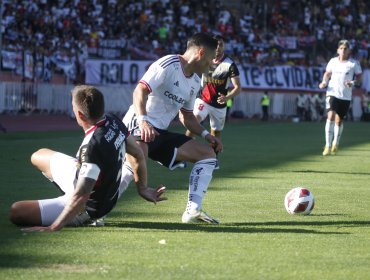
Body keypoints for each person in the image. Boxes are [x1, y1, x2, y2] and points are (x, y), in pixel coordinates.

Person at [10, 85, 166, 232]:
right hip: (97, 181)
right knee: (38, 155)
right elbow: (138, 153)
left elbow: (82, 196)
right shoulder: (113, 120)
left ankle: (88, 217)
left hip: (87, 207)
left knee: (17, 211)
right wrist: (142, 188)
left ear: (79, 114)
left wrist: (54, 227)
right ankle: (78, 176)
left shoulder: (91, 147)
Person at [121, 33, 223, 224]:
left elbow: (187, 116)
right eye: (210, 59)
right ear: (201, 53)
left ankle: (193, 211)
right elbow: (140, 90)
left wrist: (206, 135)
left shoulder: (194, 81)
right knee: (130, 167)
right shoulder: (168, 64)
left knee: (208, 154)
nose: (211, 65)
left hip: (159, 133)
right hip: (137, 125)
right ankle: (91, 212)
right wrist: (143, 121)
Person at [185, 35, 241, 139]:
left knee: (216, 134)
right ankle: (184, 148)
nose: (218, 47)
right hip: (203, 100)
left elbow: (238, 87)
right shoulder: (205, 57)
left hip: (219, 105)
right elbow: (190, 68)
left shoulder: (230, 65)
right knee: (193, 122)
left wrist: (227, 97)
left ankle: (213, 155)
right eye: (216, 45)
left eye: (221, 45)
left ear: (223, 46)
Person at [319, 39, 362, 156]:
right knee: (331, 116)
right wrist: (324, 82)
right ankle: (327, 145)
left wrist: (352, 83)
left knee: (339, 120)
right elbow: (327, 73)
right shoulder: (333, 61)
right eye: (341, 48)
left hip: (345, 96)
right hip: (332, 92)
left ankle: (335, 143)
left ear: (349, 51)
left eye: (345, 49)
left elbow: (359, 78)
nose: (343, 50)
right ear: (338, 50)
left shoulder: (353, 63)